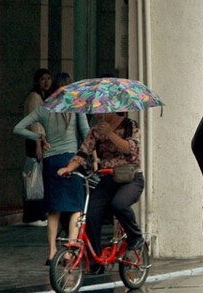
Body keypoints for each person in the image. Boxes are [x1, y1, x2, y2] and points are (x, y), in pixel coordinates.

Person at [14, 73, 90, 264]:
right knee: (76, 207)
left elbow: (18, 128)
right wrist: (94, 156)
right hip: (71, 162)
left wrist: (38, 137)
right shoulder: (76, 106)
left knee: (53, 210)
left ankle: (51, 251)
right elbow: (87, 133)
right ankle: (69, 249)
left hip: (51, 163)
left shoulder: (44, 108)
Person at [57, 111, 144, 270]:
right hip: (107, 180)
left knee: (119, 204)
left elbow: (129, 149)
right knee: (90, 214)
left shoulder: (130, 126)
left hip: (130, 179)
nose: (98, 114)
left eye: (102, 110)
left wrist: (110, 134)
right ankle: (94, 261)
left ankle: (135, 237)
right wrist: (68, 168)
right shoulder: (95, 131)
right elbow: (83, 153)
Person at [22, 69, 55, 224]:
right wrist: (38, 145)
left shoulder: (42, 97)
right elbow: (35, 123)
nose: (46, 82)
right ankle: (34, 215)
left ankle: (36, 213)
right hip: (35, 140)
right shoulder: (35, 97)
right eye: (43, 79)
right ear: (37, 81)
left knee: (37, 179)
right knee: (34, 179)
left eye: (48, 78)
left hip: (39, 140)